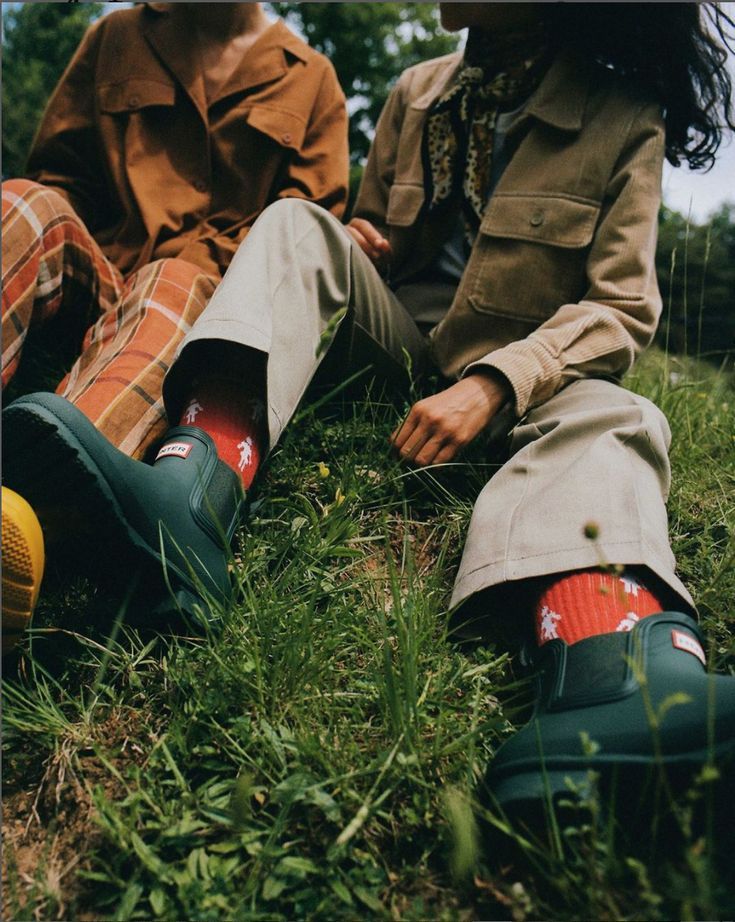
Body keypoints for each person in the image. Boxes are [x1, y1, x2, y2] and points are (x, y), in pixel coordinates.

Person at [4, 2, 734, 820]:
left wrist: (496, 382)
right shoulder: (416, 91)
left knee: (615, 414)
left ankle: (612, 673)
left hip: (533, 375)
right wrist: (361, 236)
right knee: (293, 223)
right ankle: (187, 494)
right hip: (403, 347)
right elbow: (379, 236)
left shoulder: (622, 117)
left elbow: (621, 308)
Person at [1, 2, 348, 648]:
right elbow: (60, 172)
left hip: (204, 294)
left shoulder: (310, 79)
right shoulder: (117, 37)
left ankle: (27, 506)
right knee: (22, 199)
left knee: (172, 279)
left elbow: (302, 240)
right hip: (102, 266)